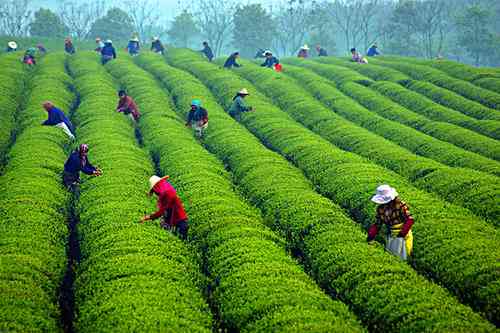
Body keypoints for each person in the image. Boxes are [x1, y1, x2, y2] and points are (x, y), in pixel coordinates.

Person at [367, 185, 414, 261]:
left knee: (404, 256)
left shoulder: (400, 205)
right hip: (391, 234)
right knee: (393, 257)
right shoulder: (380, 209)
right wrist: (370, 236)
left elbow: (410, 220)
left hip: (404, 234)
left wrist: (401, 234)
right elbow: (377, 224)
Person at [141, 175, 189, 240]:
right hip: (176, 221)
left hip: (179, 221)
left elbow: (161, 212)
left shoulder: (167, 193)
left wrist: (147, 217)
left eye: (154, 189)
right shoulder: (166, 192)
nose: (155, 192)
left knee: (181, 239)